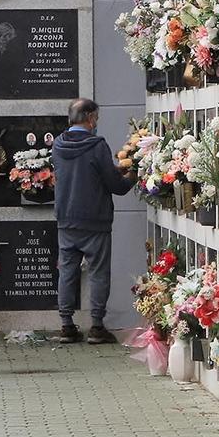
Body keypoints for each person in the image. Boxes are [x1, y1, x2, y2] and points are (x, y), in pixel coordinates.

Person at [51, 97, 133, 345]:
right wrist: (134, 174)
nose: (96, 122)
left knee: (67, 272)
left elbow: (80, 173)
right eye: (96, 117)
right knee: (98, 273)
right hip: (95, 220)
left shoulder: (58, 145)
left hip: (66, 219)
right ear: (89, 118)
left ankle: (67, 325)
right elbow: (114, 185)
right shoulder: (97, 145)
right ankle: (97, 327)